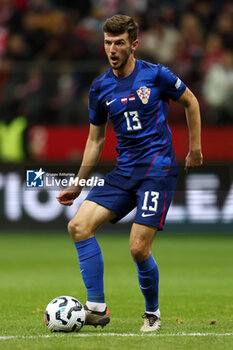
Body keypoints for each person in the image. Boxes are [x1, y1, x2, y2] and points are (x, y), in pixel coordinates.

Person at [56, 14, 203, 332]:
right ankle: (96, 307)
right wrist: (78, 184)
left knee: (138, 248)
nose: (112, 48)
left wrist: (195, 149)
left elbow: (190, 102)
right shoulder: (100, 87)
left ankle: (152, 312)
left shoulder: (156, 75)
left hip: (157, 169)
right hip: (124, 172)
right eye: (108, 42)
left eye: (119, 42)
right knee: (78, 225)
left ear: (133, 44)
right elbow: (96, 139)